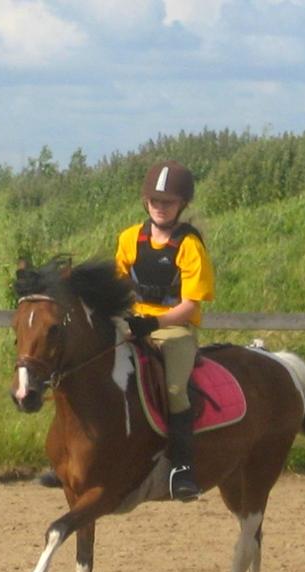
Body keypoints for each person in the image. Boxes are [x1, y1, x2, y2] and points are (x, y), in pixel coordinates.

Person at [115, 160, 215, 502]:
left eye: (168, 202)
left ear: (181, 205)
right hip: (133, 324)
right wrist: (125, 319)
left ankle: (183, 467)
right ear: (146, 202)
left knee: (174, 389)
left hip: (174, 329)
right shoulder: (129, 238)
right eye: (155, 201)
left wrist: (153, 323)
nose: (160, 207)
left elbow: (189, 305)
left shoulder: (189, 246)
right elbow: (118, 289)